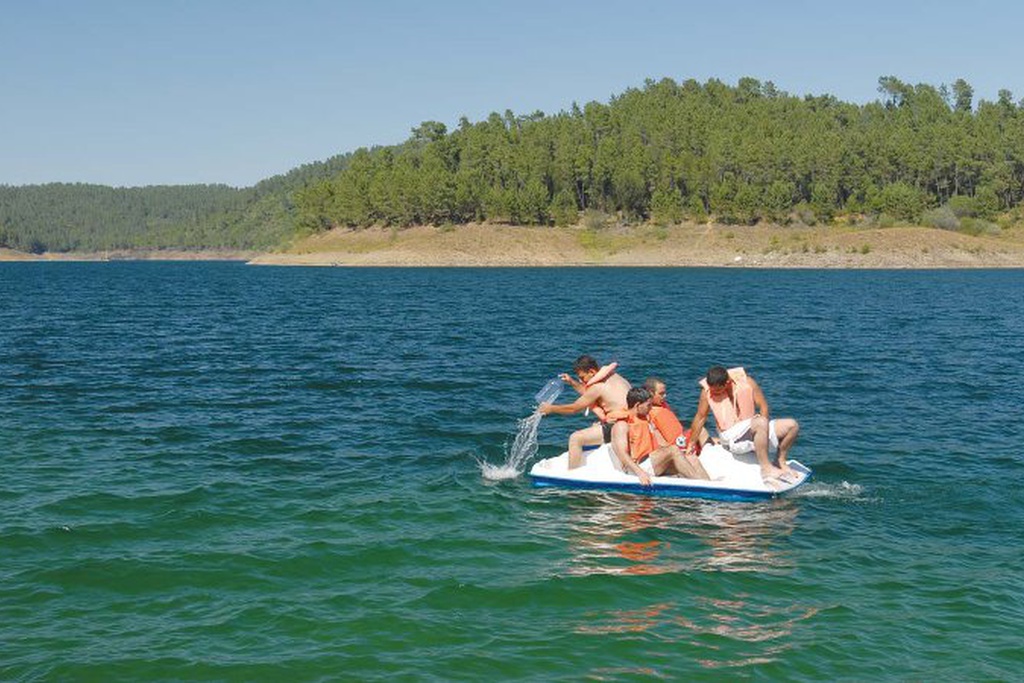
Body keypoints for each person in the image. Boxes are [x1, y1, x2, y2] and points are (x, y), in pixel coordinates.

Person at [685, 365, 800, 486]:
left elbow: (763, 406)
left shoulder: (748, 382)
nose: (714, 392)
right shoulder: (706, 392)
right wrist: (691, 444)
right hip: (730, 436)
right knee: (760, 422)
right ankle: (766, 469)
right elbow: (700, 417)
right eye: (712, 389)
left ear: (727, 383)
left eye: (718, 390)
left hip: (751, 427)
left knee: (792, 426)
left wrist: (763, 432)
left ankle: (780, 460)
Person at [539, 355, 631, 469]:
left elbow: (574, 408)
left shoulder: (598, 387)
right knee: (594, 426)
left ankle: (573, 474)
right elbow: (590, 394)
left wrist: (551, 409)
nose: (581, 381)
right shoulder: (615, 376)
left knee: (576, 438)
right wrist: (572, 382)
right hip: (631, 421)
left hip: (619, 427)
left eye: (582, 377)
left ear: (592, 372)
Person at [610, 387, 709, 486]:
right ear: (637, 405)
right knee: (673, 450)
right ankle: (701, 486)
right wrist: (640, 473)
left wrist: (681, 454)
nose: (651, 408)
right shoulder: (622, 425)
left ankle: (710, 487)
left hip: (652, 462)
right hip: (637, 467)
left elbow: (660, 444)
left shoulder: (645, 420)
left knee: (692, 458)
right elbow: (622, 455)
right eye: (648, 405)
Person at [642, 376, 711, 479]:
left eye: (664, 393)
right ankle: (709, 460)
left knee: (703, 432)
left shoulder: (663, 405)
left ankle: (711, 456)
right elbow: (656, 437)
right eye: (661, 394)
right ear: (650, 393)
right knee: (702, 432)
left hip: (681, 439)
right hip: (675, 446)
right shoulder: (648, 412)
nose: (665, 396)